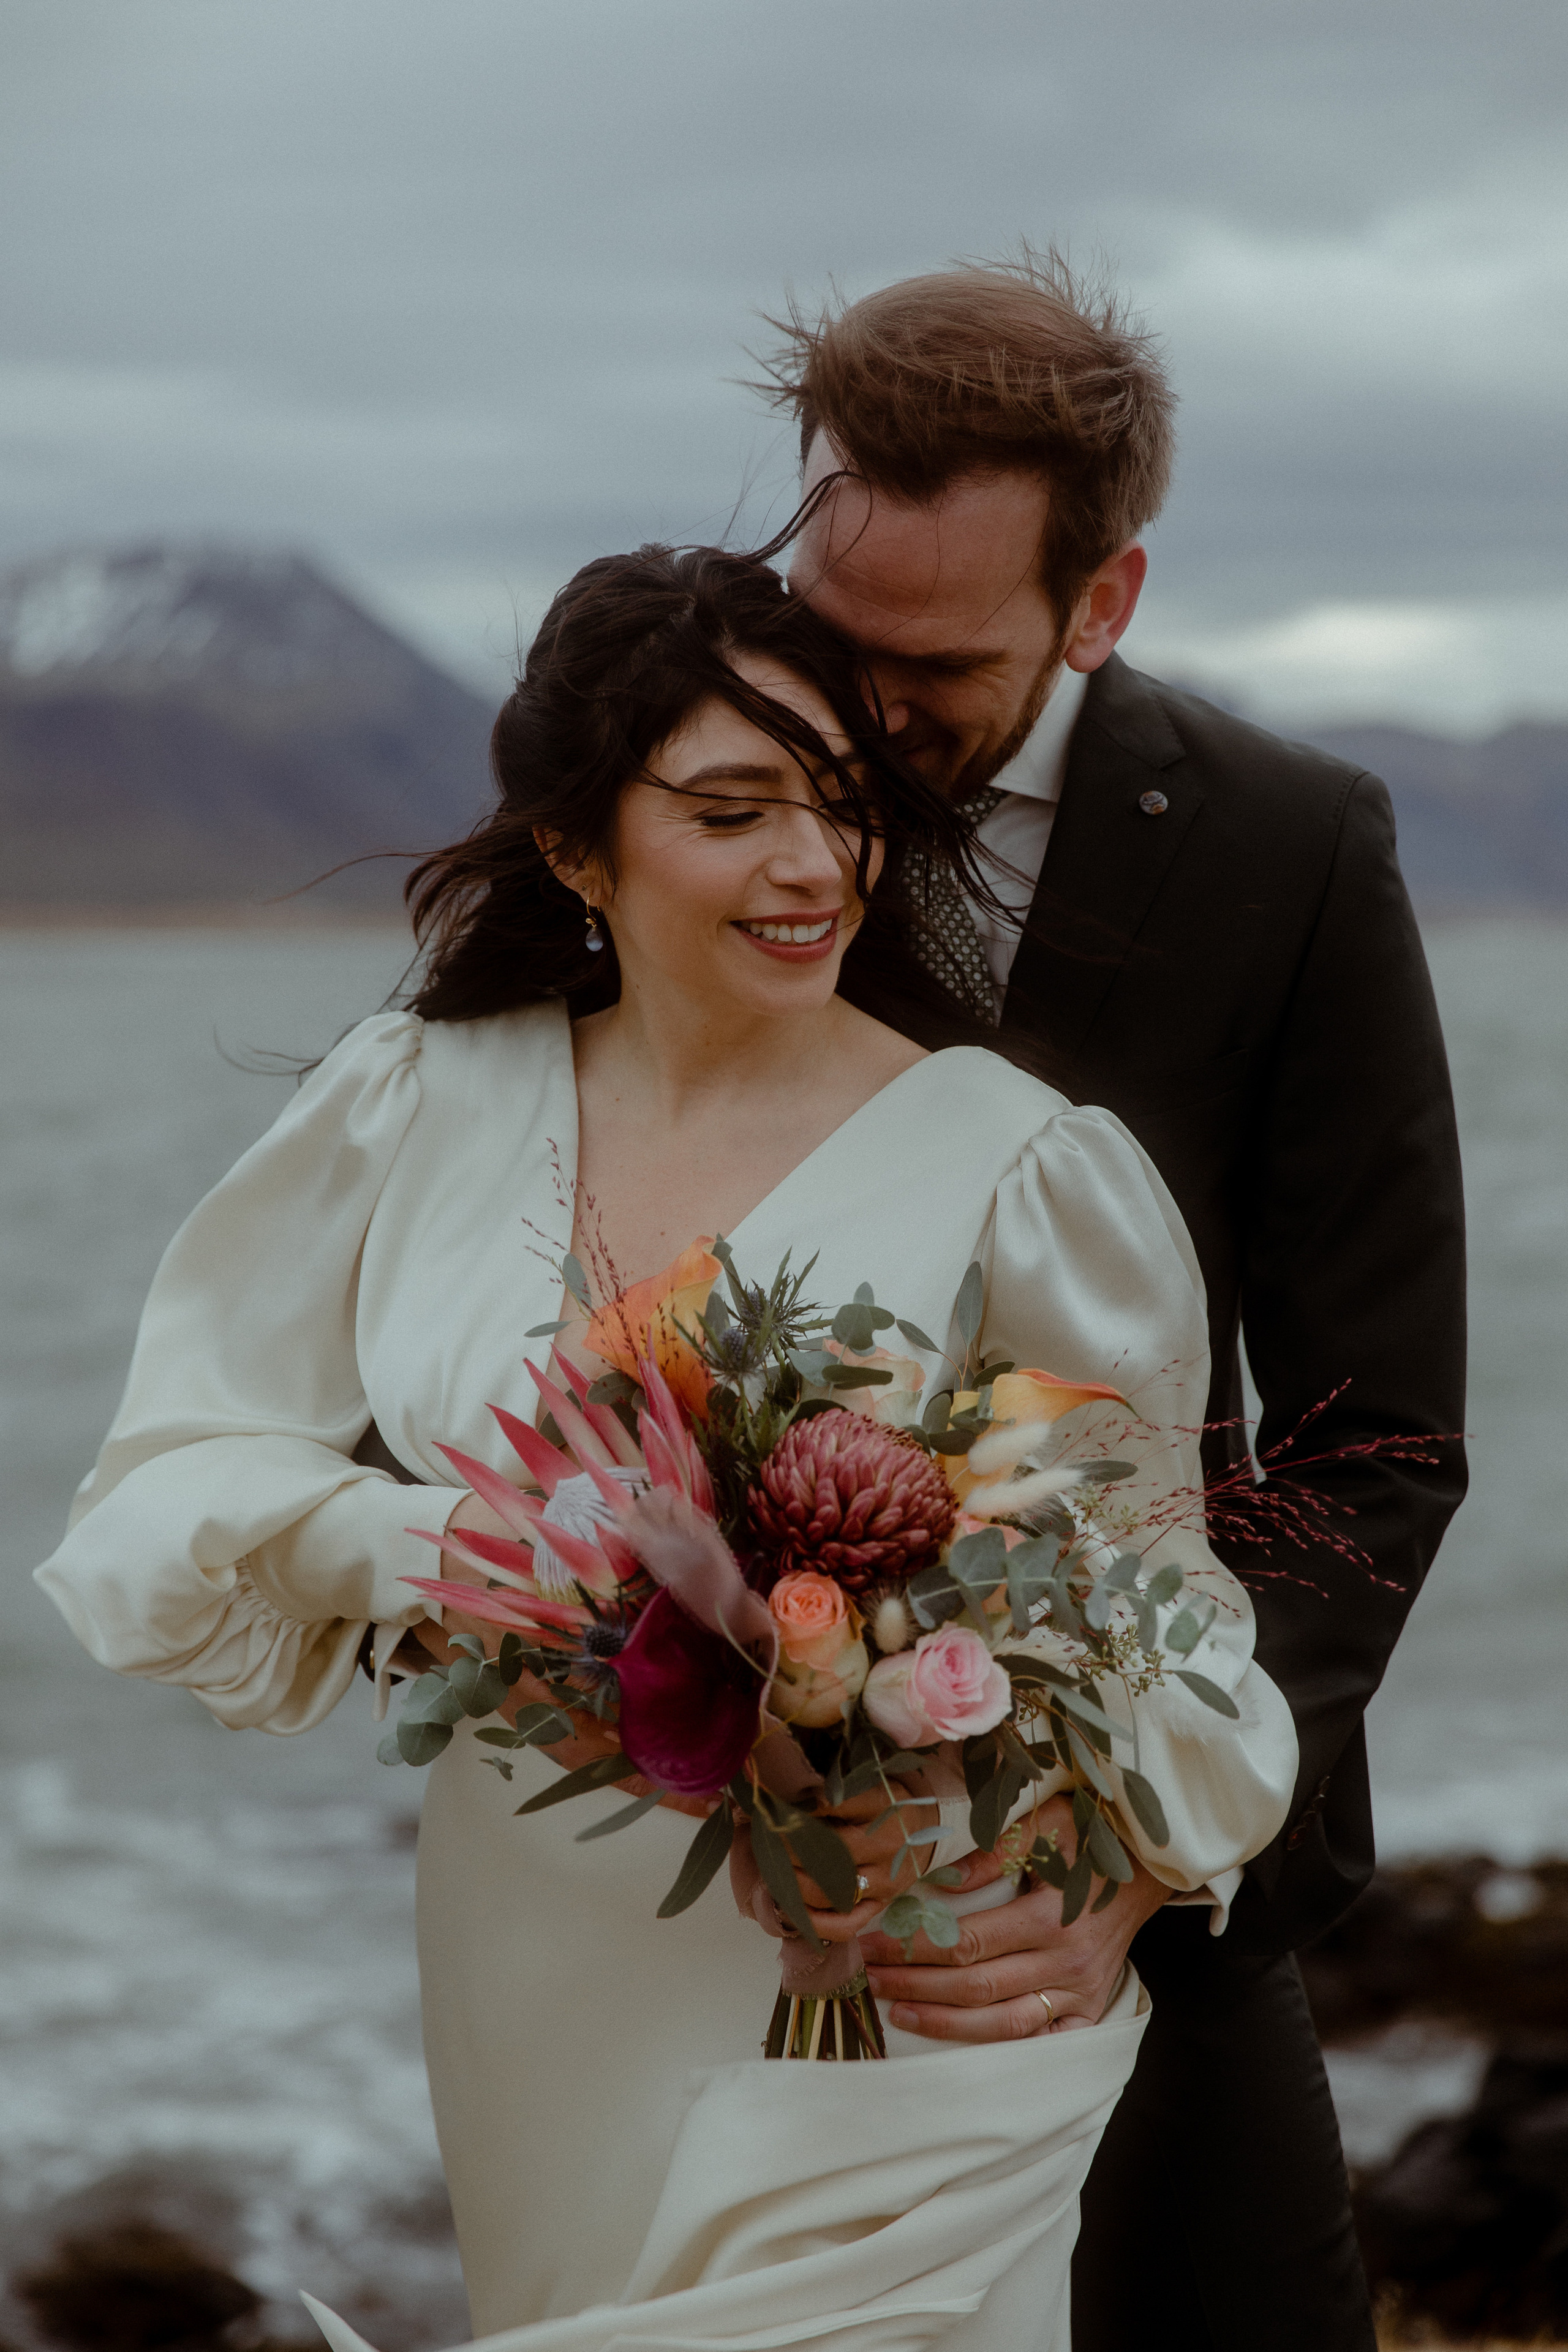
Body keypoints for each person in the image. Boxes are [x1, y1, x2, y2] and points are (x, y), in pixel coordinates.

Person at [36, 543, 1297, 2350]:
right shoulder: (419, 1104)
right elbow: (163, 1475)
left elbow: (1156, 1600)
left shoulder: (1026, 1166)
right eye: (733, 810)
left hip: (906, 1955)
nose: (813, 865)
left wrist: (1112, 1897)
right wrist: (387, 1545)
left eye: (843, 805)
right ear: (573, 847)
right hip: (539, 1955)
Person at [771, 253, 1469, 2350]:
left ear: (1106, 601)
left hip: (1162, 1866)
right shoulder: (693, 793)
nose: (864, 717)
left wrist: (1140, 1843)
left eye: (940, 667)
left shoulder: (1293, 844)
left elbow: (1373, 1426)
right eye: (834, 633)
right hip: (745, 1840)